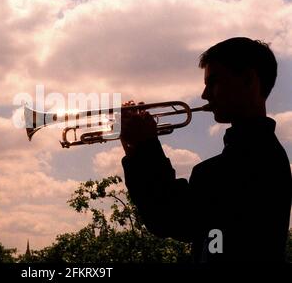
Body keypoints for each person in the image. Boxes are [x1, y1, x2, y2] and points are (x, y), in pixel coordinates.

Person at [121, 37, 292, 263]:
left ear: (249, 80)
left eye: (213, 82)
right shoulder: (259, 154)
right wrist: (137, 150)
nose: (204, 95)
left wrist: (145, 149)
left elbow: (169, 218)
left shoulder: (251, 162)